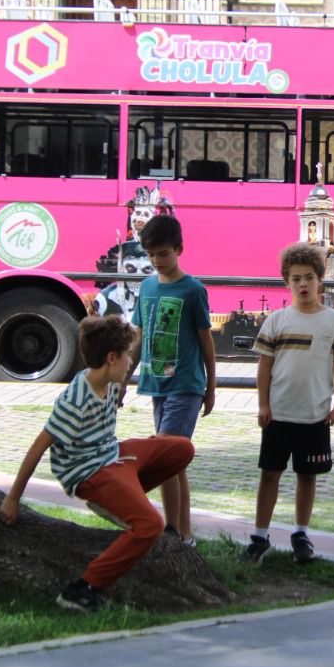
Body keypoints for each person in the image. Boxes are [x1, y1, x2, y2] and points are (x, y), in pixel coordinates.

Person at [0, 316, 194, 612]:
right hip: (90, 472)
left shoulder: (112, 381)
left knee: (181, 449)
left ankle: (123, 501)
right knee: (149, 525)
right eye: (128, 355)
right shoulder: (75, 400)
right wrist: (13, 498)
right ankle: (83, 588)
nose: (131, 361)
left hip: (113, 454)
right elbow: (39, 445)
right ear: (111, 358)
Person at [245, 244, 334, 564]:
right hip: (278, 413)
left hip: (315, 415)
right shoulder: (276, 321)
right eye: (296, 279)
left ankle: (301, 533)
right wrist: (263, 404)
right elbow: (264, 366)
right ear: (287, 282)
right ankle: (259, 536)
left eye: (309, 277)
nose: (303, 284)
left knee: (308, 475)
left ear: (320, 279)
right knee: (270, 473)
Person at [133, 214, 217, 544]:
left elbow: (206, 339)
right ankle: (185, 534)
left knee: (166, 458)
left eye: (163, 254)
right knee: (176, 463)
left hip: (186, 385)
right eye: (151, 255)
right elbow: (139, 335)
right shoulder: (146, 287)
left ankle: (172, 531)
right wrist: (124, 377)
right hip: (156, 383)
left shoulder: (193, 290)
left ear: (179, 249)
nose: (157, 261)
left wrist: (211, 386)